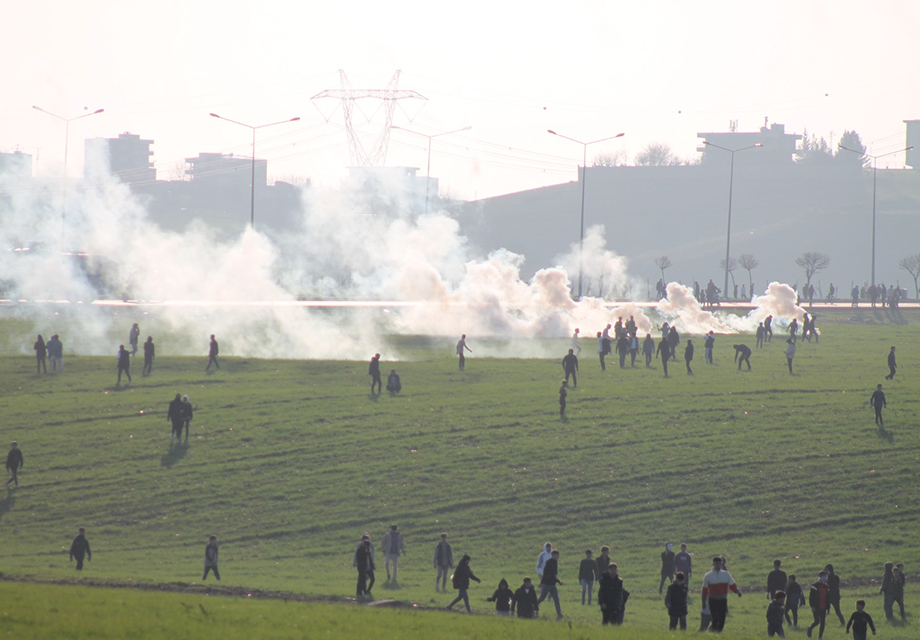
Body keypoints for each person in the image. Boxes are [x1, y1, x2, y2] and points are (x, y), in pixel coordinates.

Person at [701, 556, 742, 632]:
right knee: (715, 618)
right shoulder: (708, 575)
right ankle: (713, 631)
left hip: (723, 599)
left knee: (722, 618)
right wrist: (703, 602)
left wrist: (738, 592)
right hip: (712, 600)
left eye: (720, 564)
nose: (719, 565)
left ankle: (718, 633)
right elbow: (705, 590)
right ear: (713, 564)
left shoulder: (726, 574)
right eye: (717, 564)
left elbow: (732, 585)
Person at [536, 549, 564, 619]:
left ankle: (559, 614)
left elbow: (553, 575)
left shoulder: (555, 562)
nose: (558, 557)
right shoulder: (549, 563)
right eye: (557, 555)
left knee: (556, 600)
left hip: (553, 584)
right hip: (547, 584)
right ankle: (532, 607)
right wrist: (542, 583)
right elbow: (547, 575)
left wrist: (557, 581)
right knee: (541, 598)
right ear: (553, 555)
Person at [808, 571, 831, 638]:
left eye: (826, 576)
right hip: (816, 606)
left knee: (823, 623)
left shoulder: (826, 586)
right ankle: (810, 628)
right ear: (820, 577)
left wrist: (828, 608)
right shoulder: (814, 586)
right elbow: (811, 597)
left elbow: (828, 598)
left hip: (823, 607)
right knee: (817, 621)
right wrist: (812, 606)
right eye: (824, 576)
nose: (825, 578)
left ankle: (820, 636)